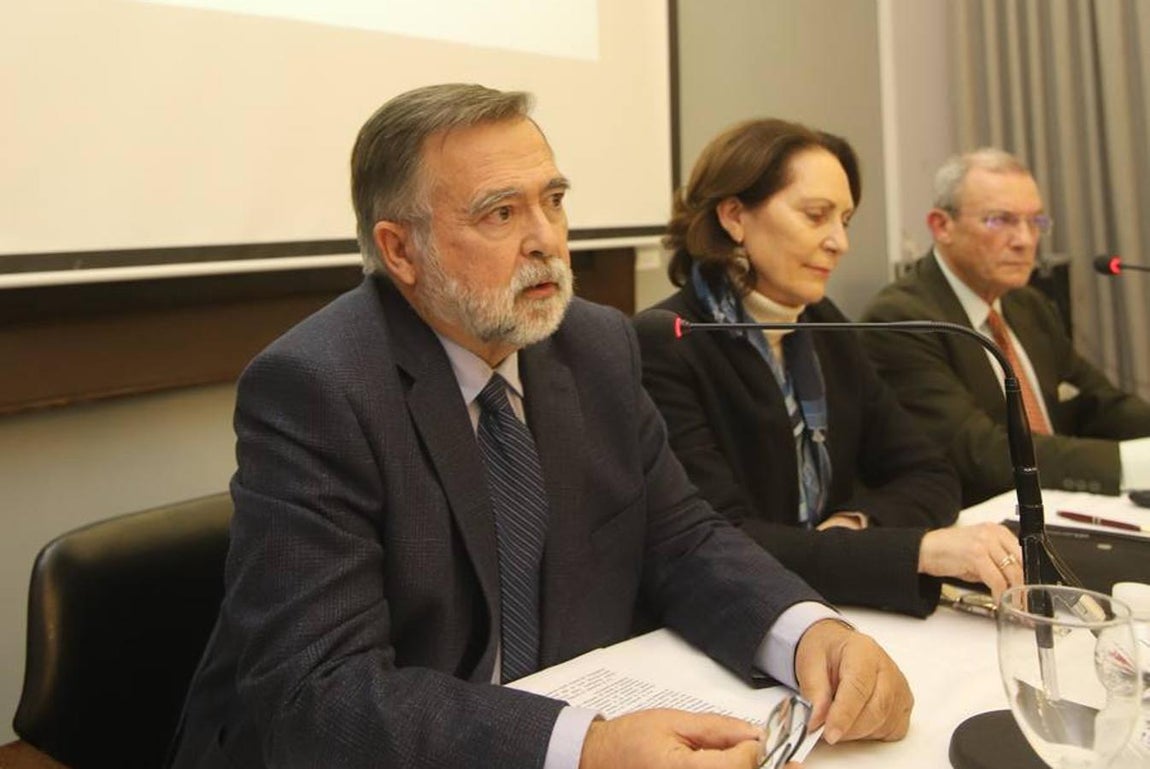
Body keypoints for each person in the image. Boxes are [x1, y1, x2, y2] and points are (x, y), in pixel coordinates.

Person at [167, 85, 913, 769]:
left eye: (552, 201)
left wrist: (807, 632)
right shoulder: (318, 386)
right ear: (400, 250)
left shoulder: (595, 344)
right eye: (500, 213)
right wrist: (588, 748)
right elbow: (318, 695)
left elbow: (682, 540)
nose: (547, 239)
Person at [634, 119, 1023, 618]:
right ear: (733, 217)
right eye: (816, 216)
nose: (840, 242)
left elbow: (930, 473)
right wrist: (914, 551)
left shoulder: (822, 324)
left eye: (845, 220)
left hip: (830, 603)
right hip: (724, 618)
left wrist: (854, 527)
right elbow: (719, 540)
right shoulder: (668, 340)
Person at [862, 148, 1150, 505]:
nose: (1025, 240)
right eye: (1000, 221)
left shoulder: (1028, 305)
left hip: (1062, 505)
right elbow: (980, 453)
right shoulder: (901, 320)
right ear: (942, 226)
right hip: (980, 519)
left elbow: (1097, 402)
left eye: (1035, 222)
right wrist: (1132, 463)